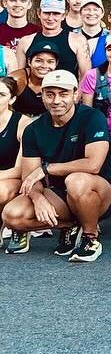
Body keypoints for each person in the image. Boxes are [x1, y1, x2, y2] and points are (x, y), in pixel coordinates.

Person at [2, 70, 111, 263]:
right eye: (50, 94)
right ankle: (71, 225)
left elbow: (93, 165)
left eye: (63, 93)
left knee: (76, 180)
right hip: (60, 193)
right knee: (12, 215)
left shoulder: (93, 117)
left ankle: (90, 238)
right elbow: (29, 176)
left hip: (103, 191)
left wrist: (46, 169)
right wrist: (37, 197)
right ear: (42, 97)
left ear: (76, 94)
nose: (56, 100)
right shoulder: (33, 129)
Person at [0, 76, 34, 253]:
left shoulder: (22, 123)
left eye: (1, 94)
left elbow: (23, 169)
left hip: (17, 178)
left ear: (12, 99)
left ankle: (18, 230)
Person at [17, 0, 86, 76]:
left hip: (67, 87)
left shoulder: (78, 40)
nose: (50, 18)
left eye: (56, 14)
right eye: (46, 13)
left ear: (64, 15)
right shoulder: (25, 41)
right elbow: (18, 76)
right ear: (39, 13)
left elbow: (85, 75)